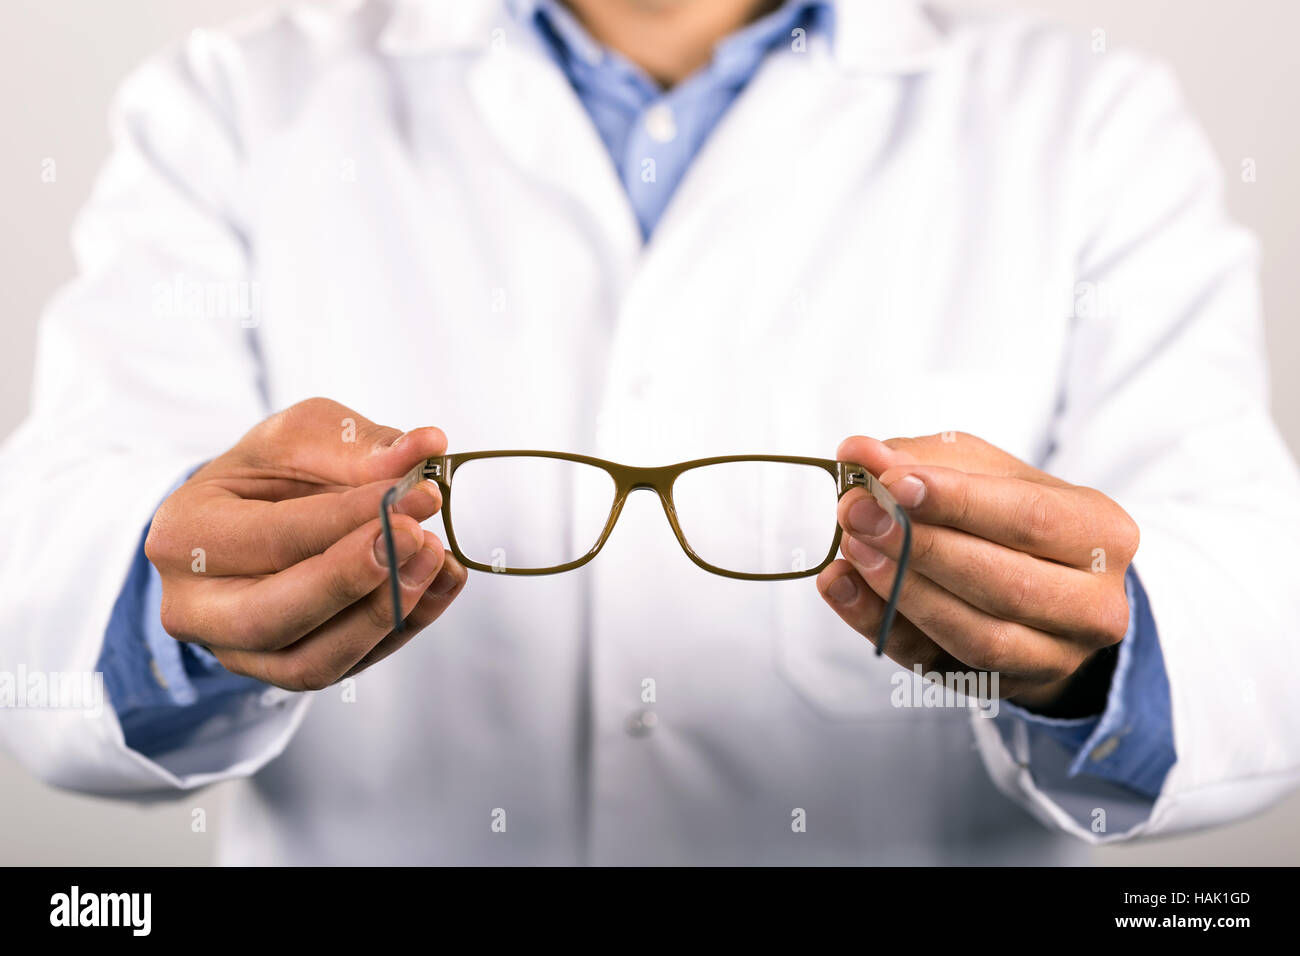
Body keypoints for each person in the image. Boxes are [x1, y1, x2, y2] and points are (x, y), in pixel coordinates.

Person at [1, 0, 1297, 865]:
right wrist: (167, 593)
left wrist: (1104, 648)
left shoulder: (1084, 119)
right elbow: (47, 575)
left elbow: (1261, 623)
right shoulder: (239, 101)